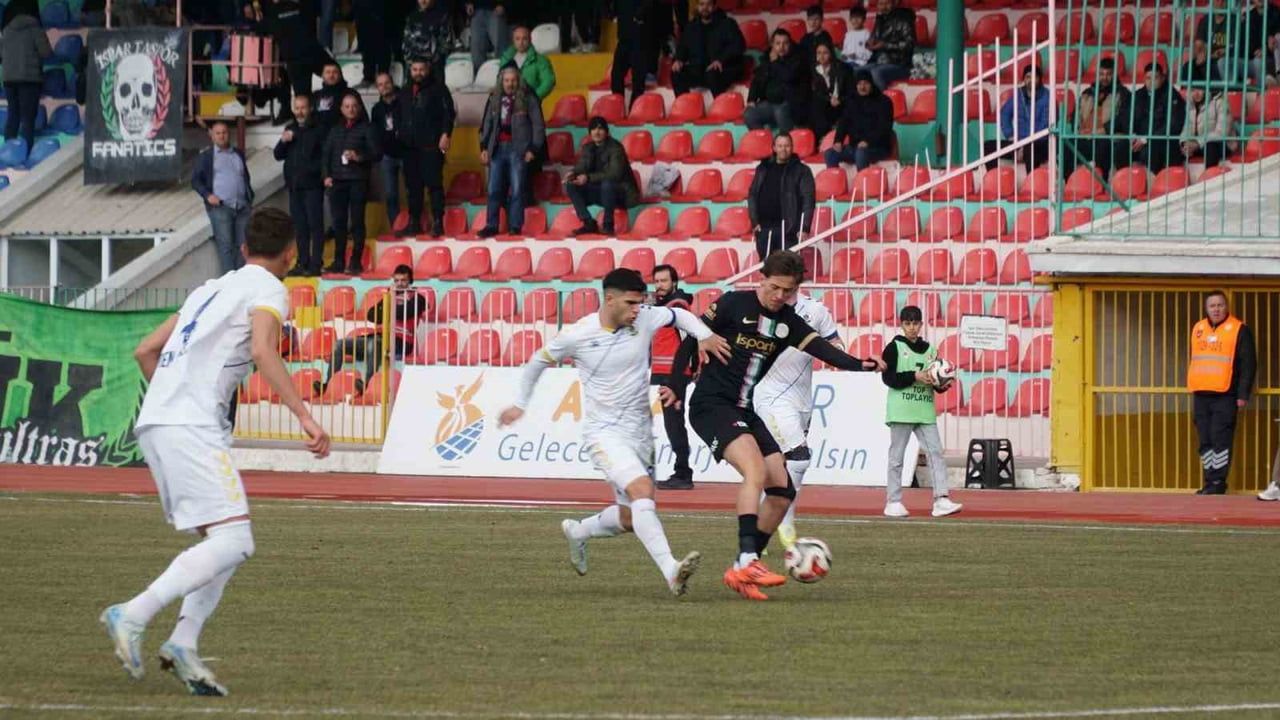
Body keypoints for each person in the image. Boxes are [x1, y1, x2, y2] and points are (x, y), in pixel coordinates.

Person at [99, 208, 330, 696]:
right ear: (291, 252)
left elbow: (146, 350)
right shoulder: (268, 290)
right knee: (236, 542)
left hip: (157, 420)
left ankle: (183, 642)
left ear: (244, 249)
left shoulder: (209, 289)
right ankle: (133, 613)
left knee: (221, 542)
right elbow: (265, 352)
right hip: (190, 424)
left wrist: (171, 400)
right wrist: (305, 416)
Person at [662, 250, 885, 601]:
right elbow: (691, 337)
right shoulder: (734, 304)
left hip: (744, 410)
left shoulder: (790, 322)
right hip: (711, 406)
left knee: (782, 491)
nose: (779, 296)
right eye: (775, 287)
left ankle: (740, 568)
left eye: (788, 290)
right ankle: (750, 559)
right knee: (756, 471)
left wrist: (864, 365)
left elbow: (827, 352)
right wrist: (677, 383)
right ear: (762, 279)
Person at [499, 269, 729, 596]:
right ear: (609, 299)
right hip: (604, 433)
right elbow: (538, 361)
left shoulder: (645, 317)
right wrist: (520, 404)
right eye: (632, 303)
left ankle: (579, 532)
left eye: (641, 303)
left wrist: (704, 334)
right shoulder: (578, 334)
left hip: (640, 432)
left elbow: (679, 315)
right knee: (641, 491)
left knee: (630, 517)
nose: (639, 309)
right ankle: (671, 571)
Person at [749, 290, 841, 547]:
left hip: (802, 399)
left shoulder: (816, 311)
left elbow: (834, 342)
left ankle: (759, 525)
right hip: (770, 397)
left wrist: (837, 352)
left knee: (776, 465)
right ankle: (786, 523)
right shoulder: (762, 308)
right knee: (800, 457)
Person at [880, 306, 962, 519]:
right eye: (908, 324)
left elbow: (935, 382)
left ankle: (941, 499)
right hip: (901, 410)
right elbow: (888, 379)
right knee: (897, 457)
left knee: (936, 453)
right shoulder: (894, 347)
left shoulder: (931, 351)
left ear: (921, 324)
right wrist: (915, 376)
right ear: (901, 324)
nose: (912, 328)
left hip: (924, 409)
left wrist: (942, 384)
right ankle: (893, 501)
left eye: (915, 323)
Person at [1189, 291, 1257, 495]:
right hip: (1201, 393)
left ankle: (1218, 482)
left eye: (1220, 305)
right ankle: (1209, 480)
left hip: (1225, 394)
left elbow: (1248, 364)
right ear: (1206, 308)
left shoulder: (1239, 329)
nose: (1216, 309)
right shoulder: (1198, 328)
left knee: (1220, 439)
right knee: (1205, 440)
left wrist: (1242, 395)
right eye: (1212, 306)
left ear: (1226, 307)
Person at [323, 264, 428, 392]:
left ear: (410, 281)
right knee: (340, 344)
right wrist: (389, 306)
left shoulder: (418, 298)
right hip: (380, 338)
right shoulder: (389, 296)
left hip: (401, 342)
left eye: (403, 280)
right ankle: (328, 385)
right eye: (397, 280)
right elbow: (371, 315)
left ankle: (367, 384)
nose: (399, 284)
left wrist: (387, 309)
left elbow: (403, 313)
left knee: (374, 344)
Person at [478, 65, 545, 238]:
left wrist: (533, 148)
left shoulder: (528, 98)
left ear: (519, 80)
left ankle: (515, 226)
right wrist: (484, 147)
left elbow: (538, 125)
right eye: (507, 80)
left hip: (519, 149)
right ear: (502, 81)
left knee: (517, 189)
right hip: (497, 148)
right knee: (493, 189)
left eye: (513, 80)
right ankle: (491, 225)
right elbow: (487, 124)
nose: (510, 84)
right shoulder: (494, 98)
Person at [396, 58, 455, 238]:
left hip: (431, 146)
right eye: (415, 69)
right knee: (412, 187)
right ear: (410, 70)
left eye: (422, 69)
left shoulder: (439, 89)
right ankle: (414, 223)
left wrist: (446, 133)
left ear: (428, 70)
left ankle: (438, 222)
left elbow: (449, 114)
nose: (418, 73)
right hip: (409, 148)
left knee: (434, 185)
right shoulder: (404, 92)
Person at [322, 92, 380, 275]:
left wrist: (358, 157)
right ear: (341, 109)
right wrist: (326, 176)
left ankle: (355, 261)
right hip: (337, 182)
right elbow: (326, 155)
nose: (351, 109)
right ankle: (339, 261)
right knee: (338, 224)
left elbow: (377, 154)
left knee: (357, 223)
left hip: (357, 181)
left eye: (354, 106)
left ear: (360, 107)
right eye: (347, 106)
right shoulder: (335, 129)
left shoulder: (367, 128)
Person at [649, 264, 696, 491]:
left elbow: (690, 338)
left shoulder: (677, 306)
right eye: (656, 281)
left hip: (675, 375)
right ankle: (682, 471)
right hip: (668, 374)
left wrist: (690, 368)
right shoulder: (665, 306)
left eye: (664, 281)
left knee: (674, 423)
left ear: (674, 283)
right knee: (673, 423)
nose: (659, 285)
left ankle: (683, 473)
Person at [273, 94, 326, 277]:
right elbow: (278, 155)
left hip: (313, 186)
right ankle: (302, 262)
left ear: (310, 108)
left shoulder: (319, 130)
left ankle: (316, 262)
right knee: (300, 227)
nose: (300, 112)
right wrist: (283, 141)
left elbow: (324, 158)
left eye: (303, 108)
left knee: (315, 225)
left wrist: (318, 175)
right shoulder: (290, 128)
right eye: (297, 108)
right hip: (294, 187)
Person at [192, 121, 254, 275]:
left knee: (244, 246)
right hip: (221, 207)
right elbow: (195, 180)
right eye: (218, 133)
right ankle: (229, 284)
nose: (221, 136)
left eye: (224, 132)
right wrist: (208, 195)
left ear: (229, 134)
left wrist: (249, 197)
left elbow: (244, 176)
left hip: (242, 207)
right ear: (211, 135)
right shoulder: (206, 156)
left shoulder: (238, 154)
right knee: (226, 246)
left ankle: (242, 281)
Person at [564, 116, 640, 237]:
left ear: (607, 131)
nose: (597, 132)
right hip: (601, 192)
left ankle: (608, 225)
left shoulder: (616, 148)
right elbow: (582, 165)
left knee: (607, 183)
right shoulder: (588, 147)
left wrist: (588, 178)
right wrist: (573, 173)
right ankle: (588, 222)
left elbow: (615, 174)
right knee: (571, 185)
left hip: (622, 194)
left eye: (600, 129)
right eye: (593, 129)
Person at [748, 133, 815, 260]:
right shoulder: (762, 168)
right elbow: (752, 195)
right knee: (767, 271)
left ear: (792, 147)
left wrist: (804, 227)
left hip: (789, 230)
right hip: (764, 230)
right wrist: (754, 222)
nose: (783, 149)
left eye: (787, 146)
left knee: (787, 271)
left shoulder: (802, 170)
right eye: (780, 146)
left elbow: (808, 200)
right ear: (774, 148)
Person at [1064, 56, 1130, 180]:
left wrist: (1103, 130)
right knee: (1067, 145)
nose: (1104, 77)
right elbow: (1075, 116)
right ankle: (1068, 183)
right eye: (1101, 74)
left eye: (1108, 74)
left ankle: (1102, 184)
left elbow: (1122, 120)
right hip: (1086, 137)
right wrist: (1079, 129)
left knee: (1103, 145)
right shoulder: (1087, 93)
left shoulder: (1123, 94)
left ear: (1114, 74)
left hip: (1106, 138)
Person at [0, 0, 51, 155]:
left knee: (13, 116)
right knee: (28, 119)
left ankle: (8, 152)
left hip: (9, 79)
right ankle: (26, 152)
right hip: (29, 80)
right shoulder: (35, 29)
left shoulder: (7, 30)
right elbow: (46, 52)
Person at [671, 0, 745, 97]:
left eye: (708, 4)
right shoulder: (691, 27)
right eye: (702, 4)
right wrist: (679, 59)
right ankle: (686, 106)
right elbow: (683, 47)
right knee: (676, 73)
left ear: (715, 6)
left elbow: (739, 45)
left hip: (723, 68)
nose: (705, 8)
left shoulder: (727, 24)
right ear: (697, 6)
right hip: (699, 69)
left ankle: (720, 107)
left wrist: (720, 60)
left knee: (712, 74)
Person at [985, 65, 1050, 172]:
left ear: (1040, 79)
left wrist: (1024, 145)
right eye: (1028, 77)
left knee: (1030, 148)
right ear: (1024, 79)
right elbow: (1005, 114)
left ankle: (1031, 183)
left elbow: (1045, 126)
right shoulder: (1018, 95)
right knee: (988, 146)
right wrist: (1010, 135)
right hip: (1019, 142)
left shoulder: (1047, 96)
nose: (1031, 80)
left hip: (1040, 144)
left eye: (1034, 77)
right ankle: (994, 179)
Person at [824, 69, 892, 170]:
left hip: (877, 147)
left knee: (861, 153)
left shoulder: (884, 102)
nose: (862, 87)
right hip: (854, 147)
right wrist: (838, 141)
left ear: (871, 84)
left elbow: (884, 127)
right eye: (859, 84)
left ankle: (861, 184)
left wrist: (868, 141)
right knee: (830, 154)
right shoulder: (852, 101)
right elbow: (843, 122)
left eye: (866, 83)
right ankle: (837, 182)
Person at [1127, 63, 1186, 174]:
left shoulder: (1172, 95)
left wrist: (1146, 139)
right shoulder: (1138, 95)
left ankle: (1153, 183)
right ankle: (1123, 184)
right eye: (1148, 78)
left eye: (1155, 77)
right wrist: (1132, 135)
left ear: (1163, 78)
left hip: (1161, 141)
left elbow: (1173, 124)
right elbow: (1127, 117)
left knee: (1150, 151)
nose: (1151, 81)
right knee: (1121, 148)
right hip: (1138, 140)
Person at [744, 29, 807, 133]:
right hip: (769, 103)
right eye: (778, 43)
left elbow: (788, 77)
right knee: (749, 114)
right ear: (772, 44)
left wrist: (775, 62)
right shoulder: (767, 58)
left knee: (780, 111)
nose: (781, 47)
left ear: (790, 44)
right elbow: (757, 80)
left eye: (785, 43)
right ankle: (764, 142)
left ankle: (786, 144)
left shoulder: (797, 59)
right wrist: (751, 99)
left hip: (789, 103)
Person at [1181, 66, 1235, 169]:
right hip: (1199, 144)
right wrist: (1184, 142)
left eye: (1199, 89)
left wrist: (1197, 143)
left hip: (1222, 144)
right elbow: (1186, 128)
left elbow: (1221, 133)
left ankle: (1209, 179)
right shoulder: (1190, 104)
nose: (1196, 93)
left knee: (1211, 146)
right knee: (1174, 147)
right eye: (1192, 90)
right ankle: (1175, 180)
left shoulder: (1220, 102)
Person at [371, 72, 405, 230]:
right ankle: (395, 228)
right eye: (380, 84)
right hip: (387, 156)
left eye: (386, 83)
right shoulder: (376, 109)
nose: (384, 87)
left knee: (413, 192)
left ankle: (414, 224)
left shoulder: (405, 101)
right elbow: (375, 133)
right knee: (391, 195)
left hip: (406, 153)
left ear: (393, 82)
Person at [611, 0, 658, 108]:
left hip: (641, 39)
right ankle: (618, 107)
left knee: (638, 79)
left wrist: (640, 15)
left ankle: (634, 109)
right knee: (616, 75)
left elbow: (650, 5)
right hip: (623, 38)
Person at [862, 0, 915, 90]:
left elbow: (909, 45)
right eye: (881, 4)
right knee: (857, 71)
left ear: (894, 4)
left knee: (876, 72)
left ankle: (881, 102)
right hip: (878, 62)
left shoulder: (905, 19)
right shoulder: (879, 19)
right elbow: (873, 39)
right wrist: (869, 43)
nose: (884, 7)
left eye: (887, 3)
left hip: (900, 64)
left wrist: (885, 45)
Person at [808, 41, 853, 142]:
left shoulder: (843, 69)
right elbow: (818, 93)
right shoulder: (815, 69)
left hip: (843, 102)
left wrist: (839, 100)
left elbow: (851, 93)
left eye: (825, 53)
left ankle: (827, 137)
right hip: (827, 103)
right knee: (814, 104)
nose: (821, 56)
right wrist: (830, 99)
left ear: (831, 54)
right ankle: (821, 138)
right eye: (819, 53)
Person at [499, 25, 556, 99]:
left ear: (530, 40)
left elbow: (548, 82)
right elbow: (500, 80)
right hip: (508, 103)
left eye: (524, 39)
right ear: (513, 40)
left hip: (530, 106)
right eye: (517, 39)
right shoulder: (506, 58)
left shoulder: (540, 60)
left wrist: (533, 98)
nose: (521, 42)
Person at [403, 0, 452, 70]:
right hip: (413, 67)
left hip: (434, 67)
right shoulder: (411, 17)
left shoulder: (442, 17)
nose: (423, 1)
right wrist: (412, 62)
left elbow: (445, 45)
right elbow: (406, 43)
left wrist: (429, 62)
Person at [353, 0, 389, 88]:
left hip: (383, 10)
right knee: (366, 46)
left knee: (383, 45)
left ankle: (383, 79)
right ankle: (368, 78)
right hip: (363, 11)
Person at [468, 0, 510, 73]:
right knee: (476, 46)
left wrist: (504, 4)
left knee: (500, 45)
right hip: (477, 10)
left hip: (496, 9)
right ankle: (480, 76)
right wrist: (468, 3)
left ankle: (503, 75)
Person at [313, 61, 350, 130]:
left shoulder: (350, 94)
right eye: (328, 72)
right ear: (322, 75)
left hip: (342, 136)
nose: (331, 75)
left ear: (340, 75)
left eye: (335, 72)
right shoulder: (316, 95)